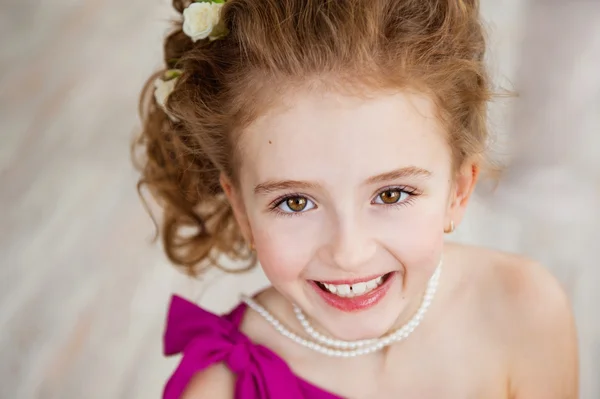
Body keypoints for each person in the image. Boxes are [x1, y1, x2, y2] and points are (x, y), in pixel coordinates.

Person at [134, 0, 579, 397]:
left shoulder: (525, 311)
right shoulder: (224, 387)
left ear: (458, 190)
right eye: (294, 202)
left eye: (391, 193)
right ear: (240, 209)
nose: (348, 254)